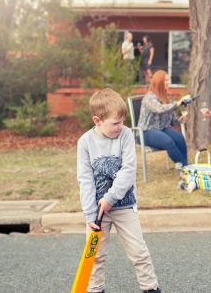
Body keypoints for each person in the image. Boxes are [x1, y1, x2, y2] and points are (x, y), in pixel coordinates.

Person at [76, 88, 161, 293]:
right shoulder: (85, 142)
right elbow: (85, 179)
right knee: (95, 256)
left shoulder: (125, 135)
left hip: (124, 205)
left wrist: (111, 198)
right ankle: (95, 290)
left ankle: (150, 288)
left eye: (122, 121)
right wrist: (90, 213)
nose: (120, 126)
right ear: (97, 120)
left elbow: (128, 171)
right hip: (97, 211)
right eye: (115, 123)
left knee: (138, 252)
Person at [138, 70, 191, 169]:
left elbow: (172, 120)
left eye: (168, 80)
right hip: (146, 132)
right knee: (168, 141)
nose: (168, 82)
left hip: (161, 129)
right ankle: (185, 167)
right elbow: (160, 109)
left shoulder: (166, 98)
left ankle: (183, 164)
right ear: (159, 82)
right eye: (166, 80)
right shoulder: (149, 97)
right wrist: (178, 103)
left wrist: (180, 120)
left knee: (179, 138)